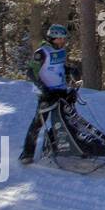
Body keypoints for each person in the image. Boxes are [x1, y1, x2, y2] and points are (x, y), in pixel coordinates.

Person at [20, 24, 81, 164]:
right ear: (52, 37)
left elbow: (58, 67)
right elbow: (31, 71)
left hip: (60, 90)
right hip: (45, 93)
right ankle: (27, 153)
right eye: (58, 38)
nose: (61, 41)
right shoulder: (42, 52)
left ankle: (54, 147)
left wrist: (70, 70)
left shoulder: (61, 51)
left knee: (61, 121)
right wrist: (42, 87)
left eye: (63, 38)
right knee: (39, 123)